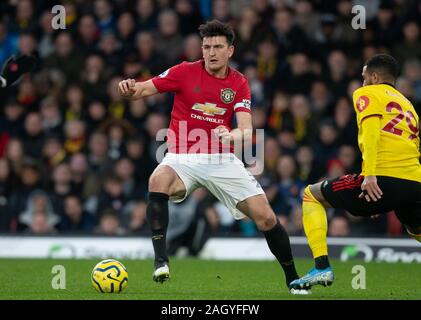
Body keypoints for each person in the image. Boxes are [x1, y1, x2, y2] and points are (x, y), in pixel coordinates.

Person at [118, 19, 308, 294]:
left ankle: (293, 279)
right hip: (183, 155)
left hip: (222, 159)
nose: (211, 52)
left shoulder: (239, 83)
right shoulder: (184, 71)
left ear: (230, 50)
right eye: (207, 46)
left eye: (218, 46)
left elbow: (246, 129)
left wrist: (230, 136)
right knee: (157, 180)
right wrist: (128, 88)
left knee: (266, 218)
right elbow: (143, 89)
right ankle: (161, 260)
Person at [290, 54, 421, 290]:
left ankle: (321, 268)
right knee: (415, 227)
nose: (361, 83)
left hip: (382, 176)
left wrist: (370, 176)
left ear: (374, 76)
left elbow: (371, 134)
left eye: (363, 78)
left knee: (311, 194)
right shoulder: (407, 104)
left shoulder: (367, 93)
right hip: (414, 182)